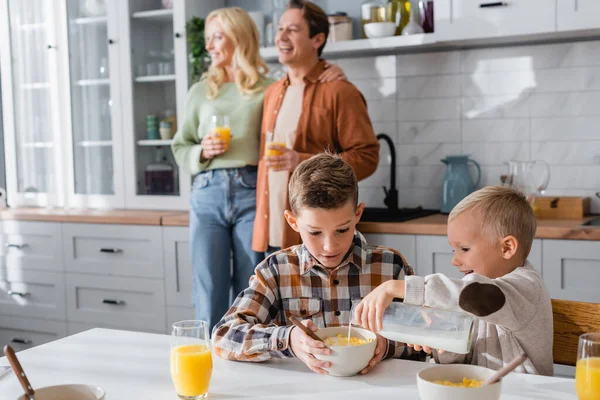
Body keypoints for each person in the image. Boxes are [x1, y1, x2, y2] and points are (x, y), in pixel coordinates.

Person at [171, 7, 346, 330]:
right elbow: (180, 147)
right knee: (208, 286)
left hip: (253, 190)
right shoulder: (200, 92)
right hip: (207, 191)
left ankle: (243, 351)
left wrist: (328, 70)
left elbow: (303, 85)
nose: (210, 45)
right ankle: (208, 361)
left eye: (218, 37)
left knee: (250, 284)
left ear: (240, 38)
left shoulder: (270, 89)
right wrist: (201, 151)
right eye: (208, 38)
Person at [213, 154, 424, 375]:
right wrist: (289, 339)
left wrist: (387, 345)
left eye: (342, 230)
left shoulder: (391, 266)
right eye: (314, 232)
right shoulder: (277, 270)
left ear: (358, 214)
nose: (329, 246)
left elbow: (427, 334)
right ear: (293, 222)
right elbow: (223, 336)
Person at [355, 185, 554, 376]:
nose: (454, 260)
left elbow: (476, 295)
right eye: (454, 249)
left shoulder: (524, 288)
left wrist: (398, 287)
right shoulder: (477, 293)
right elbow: (462, 362)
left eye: (464, 249)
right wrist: (441, 339)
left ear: (507, 248)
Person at [252, 0, 380, 256]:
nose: (281, 37)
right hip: (269, 233)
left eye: (293, 30)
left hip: (314, 239)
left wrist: (299, 161)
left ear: (317, 39)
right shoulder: (272, 93)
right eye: (279, 29)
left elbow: (367, 157)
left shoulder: (340, 92)